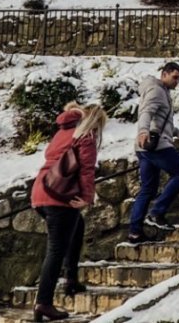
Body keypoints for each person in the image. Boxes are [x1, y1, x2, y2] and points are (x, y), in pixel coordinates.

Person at [30, 102, 107, 322]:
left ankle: (71, 279)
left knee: (77, 226)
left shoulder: (63, 132)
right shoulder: (87, 136)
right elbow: (86, 170)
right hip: (61, 196)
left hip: (42, 190)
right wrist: (86, 198)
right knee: (55, 249)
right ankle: (43, 302)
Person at [127, 61, 179, 242]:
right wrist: (143, 131)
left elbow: (161, 122)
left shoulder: (160, 92)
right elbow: (146, 113)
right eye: (174, 77)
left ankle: (135, 232)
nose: (177, 82)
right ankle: (156, 213)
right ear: (164, 74)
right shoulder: (157, 91)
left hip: (145, 147)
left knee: (147, 189)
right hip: (156, 146)